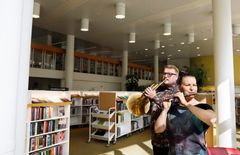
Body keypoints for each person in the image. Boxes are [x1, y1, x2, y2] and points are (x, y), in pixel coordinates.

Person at [154, 73, 217, 155]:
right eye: (188, 85)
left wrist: (186, 104)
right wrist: (165, 110)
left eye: (194, 85)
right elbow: (158, 129)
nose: (192, 88)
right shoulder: (171, 108)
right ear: (180, 87)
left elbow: (213, 120)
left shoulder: (203, 107)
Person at [144, 65, 179, 155]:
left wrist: (154, 97)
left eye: (170, 74)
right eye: (164, 73)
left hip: (169, 140)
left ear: (176, 77)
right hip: (155, 138)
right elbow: (151, 111)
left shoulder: (178, 92)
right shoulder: (158, 90)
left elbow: (173, 110)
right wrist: (147, 99)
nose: (165, 76)